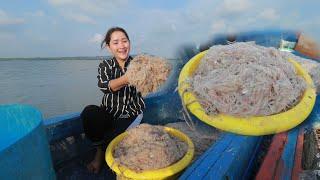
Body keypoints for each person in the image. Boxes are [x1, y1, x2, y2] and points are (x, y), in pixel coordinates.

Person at [80, 27, 145, 173]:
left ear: (129, 43)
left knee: (113, 141)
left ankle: (102, 154)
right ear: (109, 47)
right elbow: (105, 87)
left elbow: (150, 83)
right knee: (89, 112)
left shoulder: (139, 64)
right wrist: (127, 78)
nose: (121, 46)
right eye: (116, 42)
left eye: (124, 41)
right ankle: (99, 152)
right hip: (109, 111)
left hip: (131, 114)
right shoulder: (105, 66)